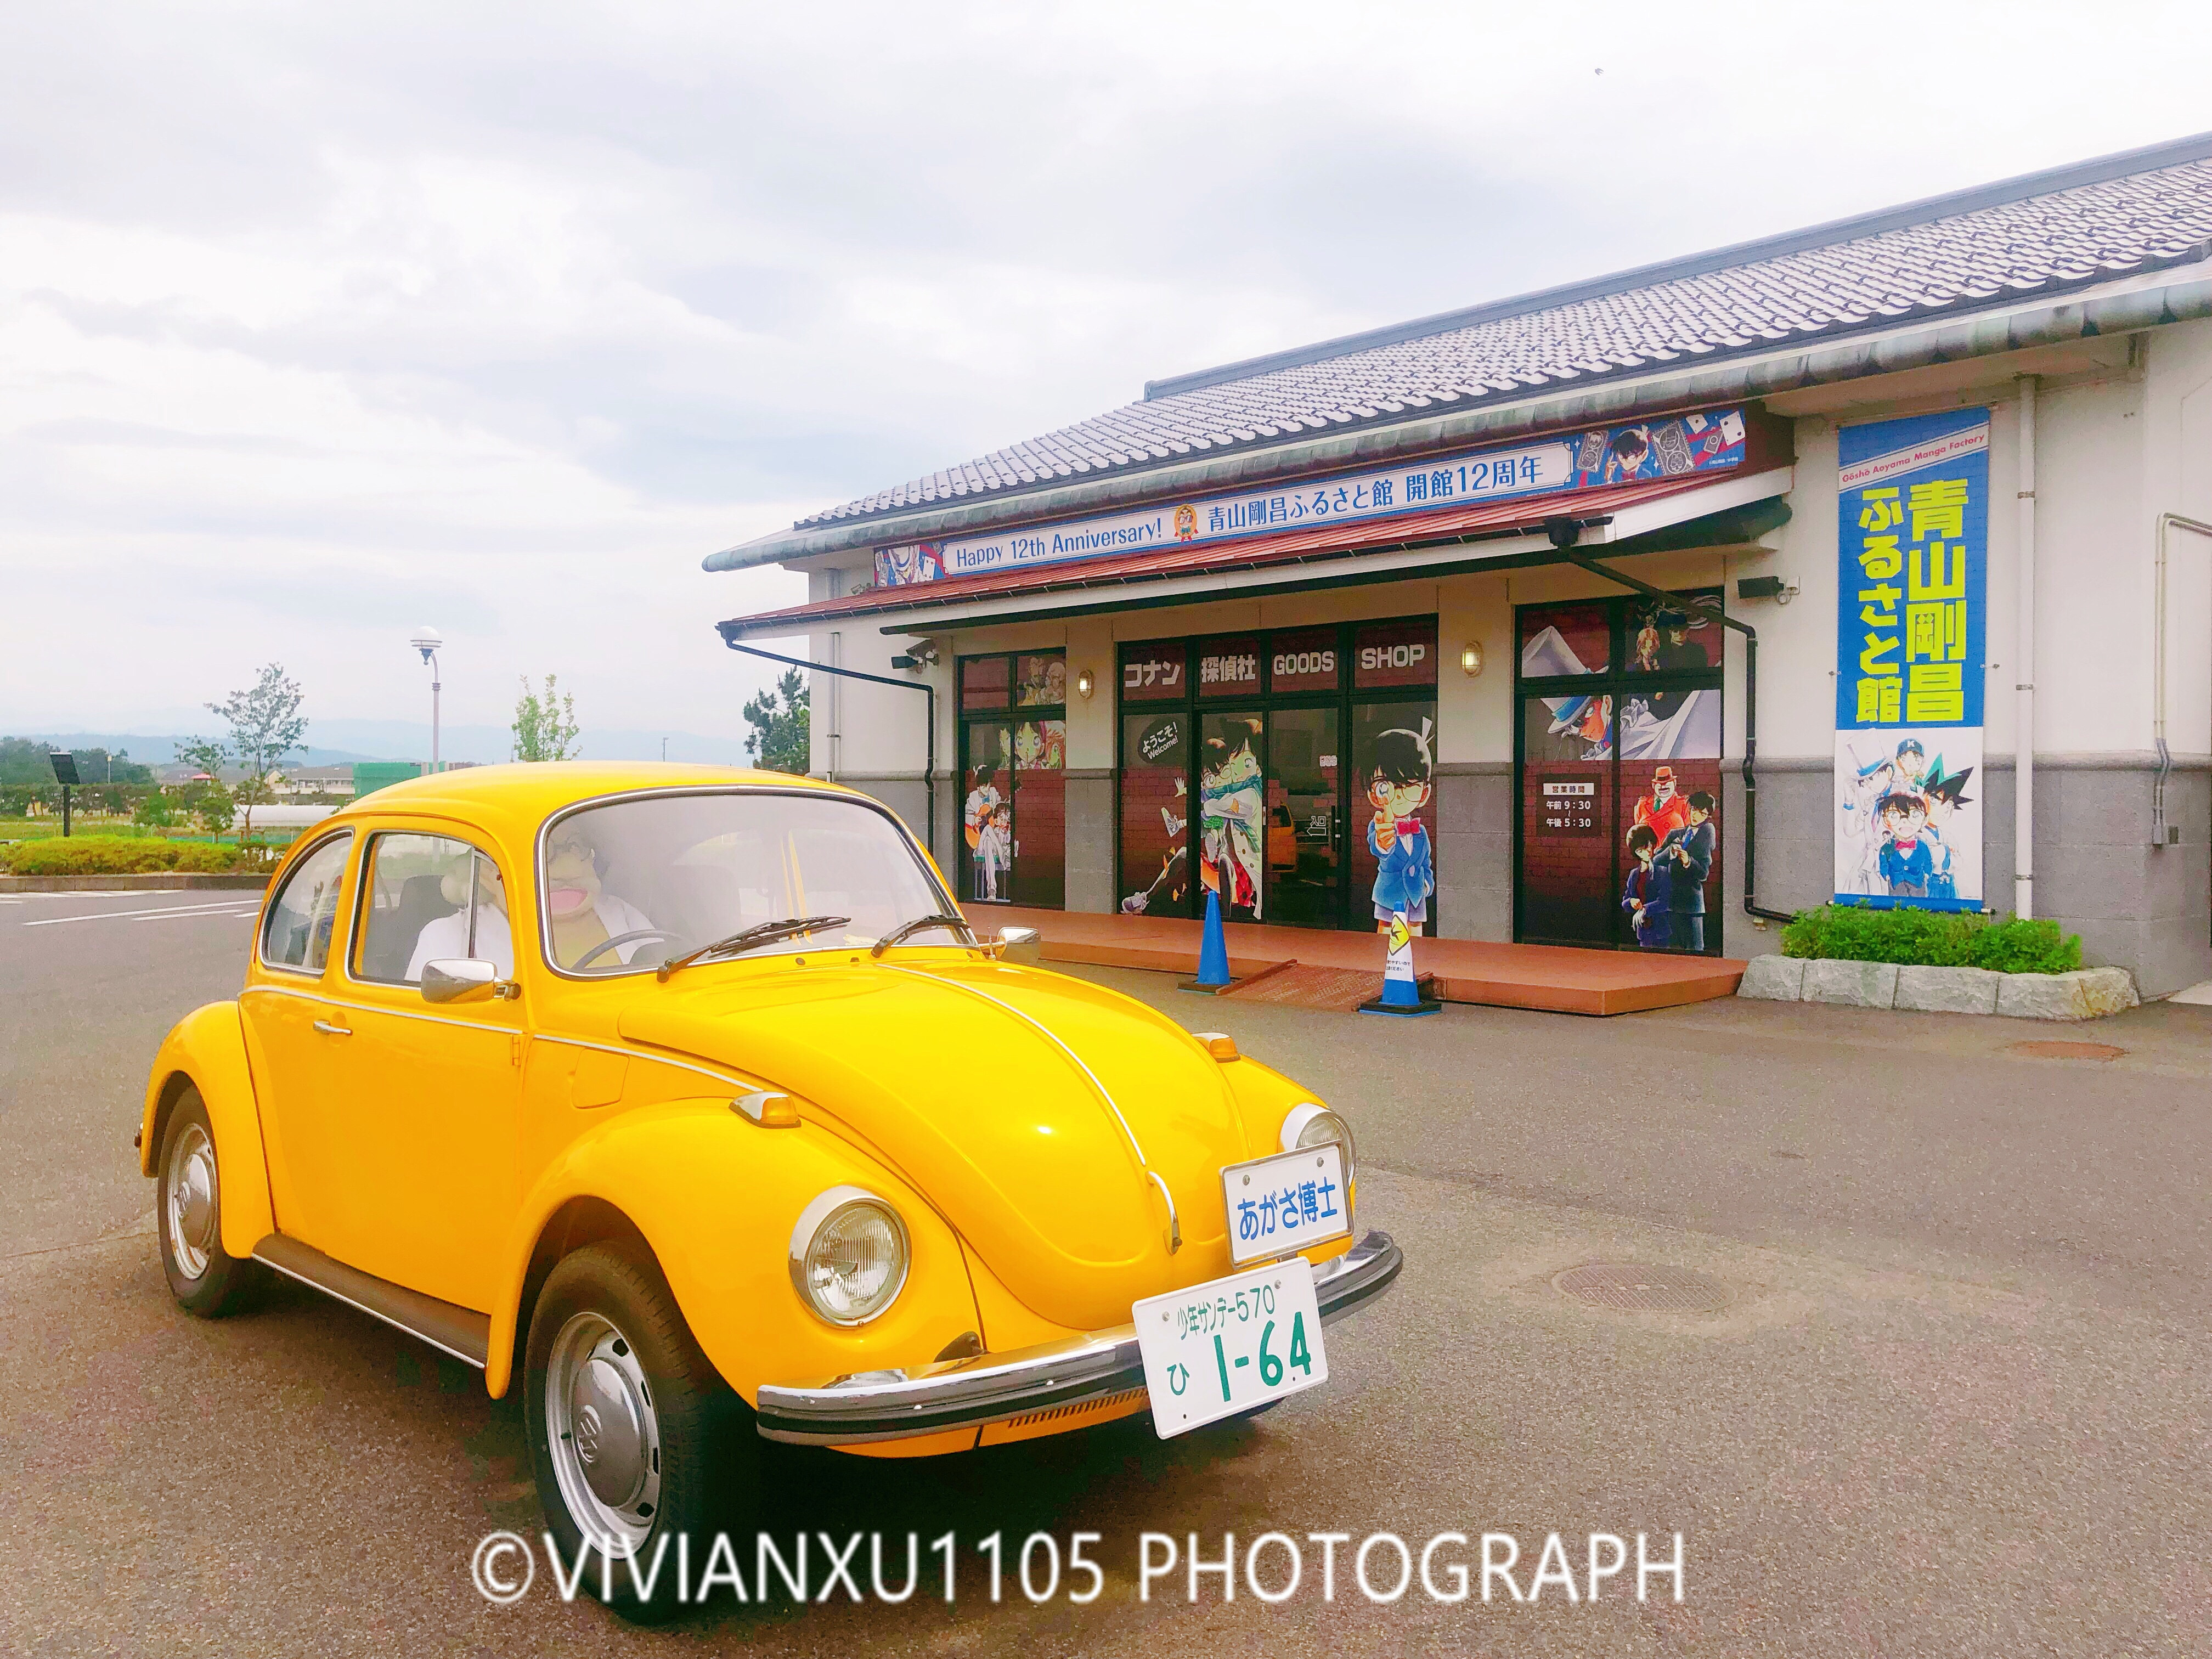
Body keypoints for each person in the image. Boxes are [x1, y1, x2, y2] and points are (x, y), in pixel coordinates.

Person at [1364, 721, 1435, 935]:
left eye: (1409, 786)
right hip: (1389, 894)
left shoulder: (1421, 833)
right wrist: (1384, 841)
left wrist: (1426, 885)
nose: (1398, 795)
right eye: (1387, 786)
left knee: (1415, 934)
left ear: (1424, 794)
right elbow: (1379, 848)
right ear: (1373, 794)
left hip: (1416, 895)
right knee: (1386, 934)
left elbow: (1426, 863)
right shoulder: (1379, 824)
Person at [1664, 791, 1716, 951]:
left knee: (1695, 950)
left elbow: (1703, 873)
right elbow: (1656, 861)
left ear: (1707, 816)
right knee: (1672, 950)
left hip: (1692, 903)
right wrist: (1671, 852)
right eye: (1694, 810)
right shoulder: (1676, 834)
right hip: (1671, 901)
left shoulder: (1707, 831)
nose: (1696, 815)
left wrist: (1689, 862)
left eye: (1702, 813)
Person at [1621, 823, 1671, 947]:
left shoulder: (1662, 872)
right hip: (1643, 932)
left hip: (1660, 932)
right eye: (1640, 850)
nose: (1646, 852)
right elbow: (1625, 902)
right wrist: (1631, 902)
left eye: (1649, 847)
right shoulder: (1634, 874)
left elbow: (1664, 902)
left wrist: (1644, 910)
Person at [1876, 792, 1935, 898]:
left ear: (1924, 819)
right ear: (1885, 820)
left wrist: (1927, 874)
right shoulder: (1888, 845)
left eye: (1915, 815)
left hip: (1917, 882)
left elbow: (1928, 861)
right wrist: (1886, 875)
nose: (1905, 821)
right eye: (1894, 815)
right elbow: (1883, 861)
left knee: (1919, 906)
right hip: (1896, 881)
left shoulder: (1922, 846)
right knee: (1897, 905)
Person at [1632, 765, 1691, 841]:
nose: (1663, 787)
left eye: (1667, 783)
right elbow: (1638, 833)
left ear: (1674, 783)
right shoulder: (1643, 804)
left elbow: (1689, 833)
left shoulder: (1683, 804)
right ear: (1654, 785)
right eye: (1659, 784)